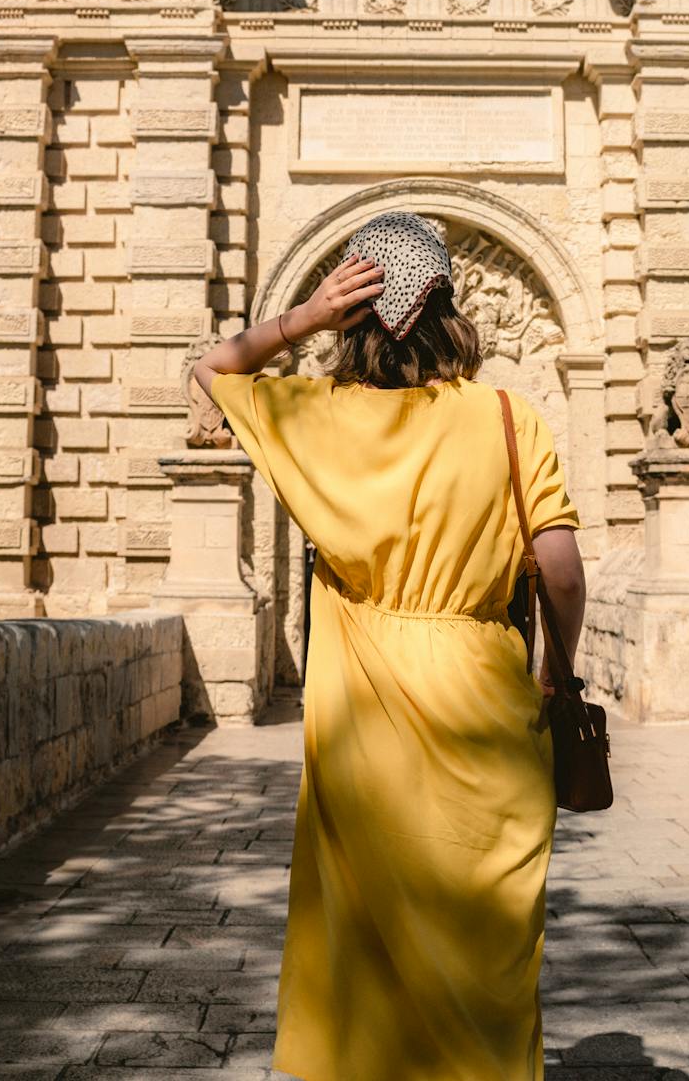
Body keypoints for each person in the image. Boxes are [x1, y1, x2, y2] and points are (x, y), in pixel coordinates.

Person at [191, 210, 586, 1081]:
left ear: (353, 314)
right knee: (487, 946)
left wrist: (303, 319)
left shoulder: (313, 417)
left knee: (366, 954)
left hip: (362, 724)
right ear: (451, 309)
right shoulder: (510, 419)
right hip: (486, 701)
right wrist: (556, 673)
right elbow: (558, 570)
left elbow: (213, 368)